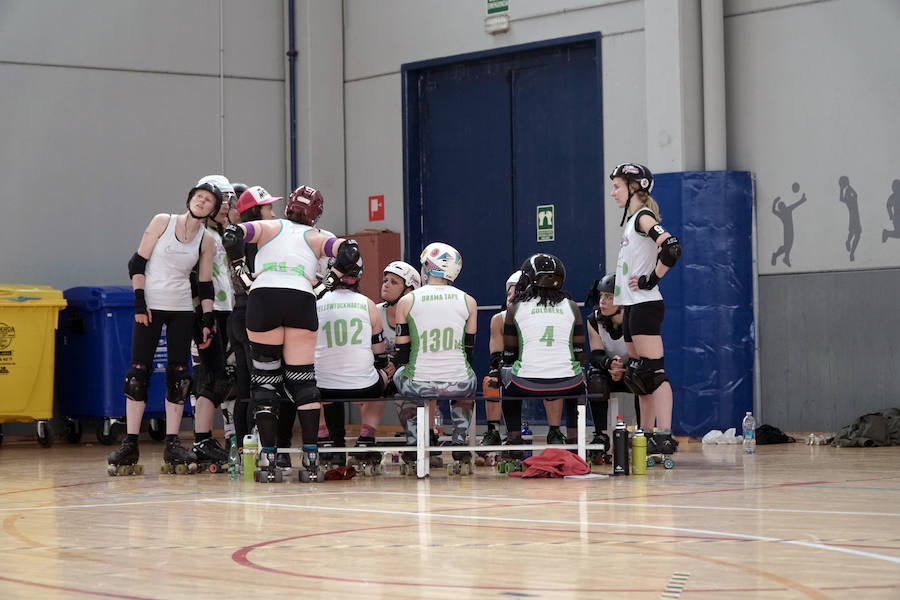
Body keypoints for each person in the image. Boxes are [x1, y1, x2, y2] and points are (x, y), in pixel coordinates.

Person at [222, 184, 359, 483]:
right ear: (316, 213)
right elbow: (350, 251)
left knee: (265, 381)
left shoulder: (271, 226)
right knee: (303, 381)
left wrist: (240, 269)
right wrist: (328, 283)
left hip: (264, 296)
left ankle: (269, 458)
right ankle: (311, 460)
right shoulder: (317, 236)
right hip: (300, 297)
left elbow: (231, 234)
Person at [107, 180, 222, 475]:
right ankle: (130, 443)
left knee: (179, 377)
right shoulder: (163, 221)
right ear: (189, 199)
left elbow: (205, 284)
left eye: (208, 200)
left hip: (182, 310)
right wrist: (138, 300)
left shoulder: (206, 239)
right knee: (137, 374)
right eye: (198, 196)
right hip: (150, 307)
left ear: (213, 210)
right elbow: (137, 262)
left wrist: (206, 320)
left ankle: (172, 442)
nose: (201, 201)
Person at [609, 162, 682, 455]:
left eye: (617, 186)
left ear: (634, 187)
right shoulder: (633, 220)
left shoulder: (643, 217)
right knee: (639, 375)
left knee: (655, 372)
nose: (612, 192)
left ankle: (663, 436)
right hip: (631, 306)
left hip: (645, 304)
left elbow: (672, 247)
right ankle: (646, 435)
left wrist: (652, 278)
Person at [391, 242, 478, 472]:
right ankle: (459, 440)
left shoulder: (407, 301)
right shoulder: (469, 301)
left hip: (418, 384)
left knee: (400, 377)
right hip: (459, 383)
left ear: (429, 267)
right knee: (467, 376)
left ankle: (414, 443)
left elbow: (402, 353)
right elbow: (469, 351)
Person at [501, 254, 586, 459]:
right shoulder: (572, 306)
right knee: (576, 378)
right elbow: (580, 354)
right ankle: (574, 442)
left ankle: (514, 442)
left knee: (506, 378)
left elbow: (510, 354)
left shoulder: (515, 307)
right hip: (568, 382)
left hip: (525, 383)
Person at [314, 256, 389, 473]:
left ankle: (322, 434)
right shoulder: (367, 304)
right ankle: (366, 436)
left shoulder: (316, 303)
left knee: (308, 381)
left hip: (323, 388)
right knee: (385, 379)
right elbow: (379, 353)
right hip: (364, 388)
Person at [226, 185, 280, 462]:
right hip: (251, 311)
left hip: (239, 312)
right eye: (268, 207)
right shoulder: (255, 240)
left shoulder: (238, 237)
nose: (273, 211)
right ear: (256, 211)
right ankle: (253, 449)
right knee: (258, 384)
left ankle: (241, 450)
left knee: (247, 386)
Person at [188, 174, 236, 471]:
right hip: (209, 312)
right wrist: (202, 315)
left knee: (224, 377)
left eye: (228, 200)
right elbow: (191, 276)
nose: (225, 205)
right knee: (211, 378)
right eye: (222, 199)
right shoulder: (197, 233)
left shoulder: (220, 234)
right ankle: (202, 440)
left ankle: (212, 438)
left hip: (225, 309)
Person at [565, 274, 640, 461]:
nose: (602, 301)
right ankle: (601, 434)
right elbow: (597, 355)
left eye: (609, 297)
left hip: (630, 370)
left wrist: (622, 367)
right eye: (601, 296)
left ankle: (643, 432)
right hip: (609, 373)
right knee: (594, 378)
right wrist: (610, 365)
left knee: (641, 374)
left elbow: (640, 354)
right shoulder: (594, 319)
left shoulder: (635, 318)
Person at [376, 261, 421, 447]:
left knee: (407, 383)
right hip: (380, 370)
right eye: (385, 280)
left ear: (408, 290)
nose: (386, 284)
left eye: (394, 282)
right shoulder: (375, 311)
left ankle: (418, 442)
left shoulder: (417, 314)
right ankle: (366, 439)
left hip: (407, 372)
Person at [480, 270, 521, 451]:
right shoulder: (499, 319)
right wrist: (499, 369)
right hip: (512, 367)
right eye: (508, 294)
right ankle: (493, 431)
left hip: (534, 367)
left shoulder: (536, 317)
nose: (510, 298)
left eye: (516, 293)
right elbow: (495, 356)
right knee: (492, 380)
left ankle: (554, 431)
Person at [838, 176, 861, 261]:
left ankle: (849, 244)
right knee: (856, 234)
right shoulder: (851, 198)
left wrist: (842, 188)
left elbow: (841, 199)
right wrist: (848, 186)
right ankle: (851, 251)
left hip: (854, 217)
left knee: (854, 233)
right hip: (854, 217)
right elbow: (856, 194)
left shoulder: (849, 198)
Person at [883, 179, 900, 243]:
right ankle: (886, 233)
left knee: (898, 234)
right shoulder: (893, 196)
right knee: (898, 233)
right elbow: (888, 205)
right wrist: (891, 215)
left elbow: (888, 205)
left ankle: (887, 233)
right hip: (896, 218)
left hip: (895, 217)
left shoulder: (893, 196)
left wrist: (891, 215)